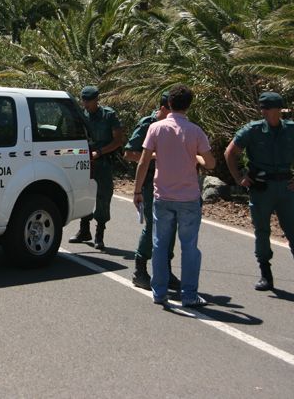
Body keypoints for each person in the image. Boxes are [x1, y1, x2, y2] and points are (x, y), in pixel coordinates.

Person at [224, 92, 294, 297]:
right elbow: (230, 152)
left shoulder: (292, 130)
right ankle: (266, 275)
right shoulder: (252, 130)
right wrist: (239, 177)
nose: (266, 111)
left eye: (269, 108)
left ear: (278, 109)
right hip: (262, 188)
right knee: (262, 231)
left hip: (285, 188)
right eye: (264, 108)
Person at [133, 85, 215, 307]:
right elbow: (211, 163)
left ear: (168, 103)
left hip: (163, 196)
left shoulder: (156, 128)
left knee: (160, 245)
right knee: (189, 247)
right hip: (188, 198)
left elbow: (143, 162)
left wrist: (137, 190)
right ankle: (189, 294)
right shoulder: (196, 131)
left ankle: (159, 292)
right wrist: (196, 157)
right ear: (188, 105)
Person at [124, 92, 179, 291]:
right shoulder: (148, 124)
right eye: (171, 111)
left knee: (171, 226)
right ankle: (140, 270)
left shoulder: (176, 126)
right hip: (150, 184)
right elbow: (129, 153)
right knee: (153, 227)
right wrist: (155, 155)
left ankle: (165, 269)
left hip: (171, 184)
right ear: (164, 109)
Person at [69, 85, 123, 251]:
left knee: (102, 197)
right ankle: (84, 230)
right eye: (83, 100)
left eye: (88, 101)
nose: (85, 104)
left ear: (96, 100)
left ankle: (100, 234)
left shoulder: (108, 115)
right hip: (85, 162)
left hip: (103, 162)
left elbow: (118, 140)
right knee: (84, 194)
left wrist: (100, 152)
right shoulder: (82, 114)